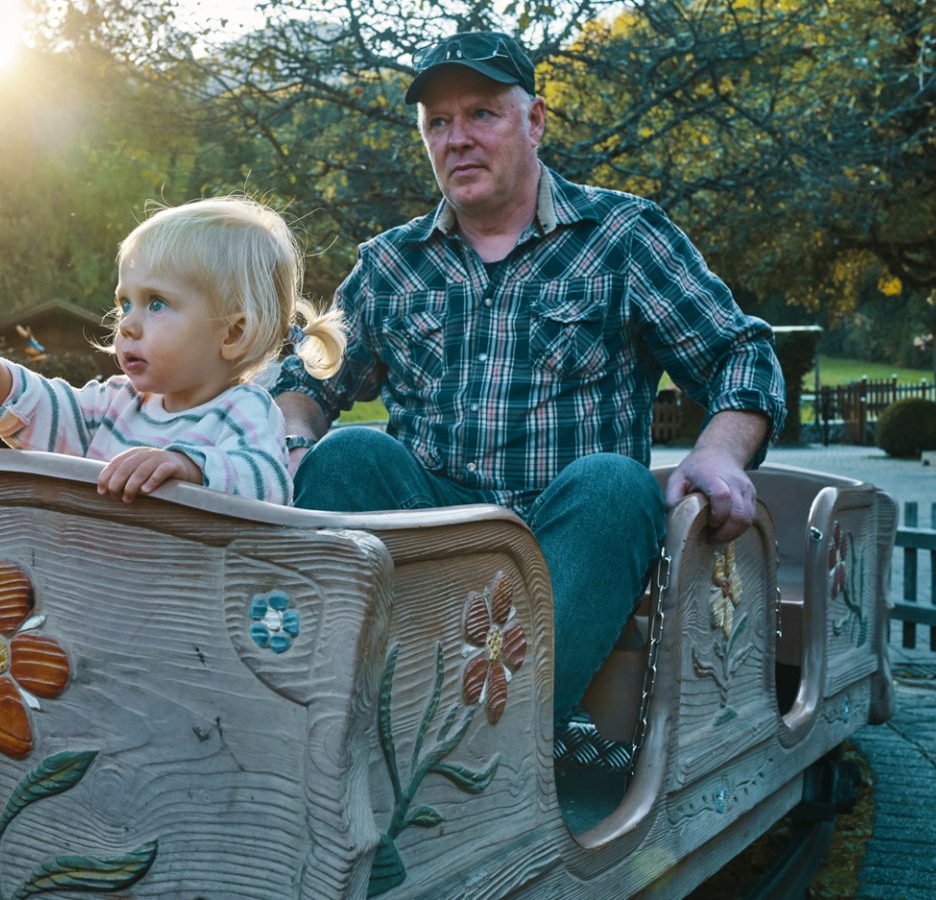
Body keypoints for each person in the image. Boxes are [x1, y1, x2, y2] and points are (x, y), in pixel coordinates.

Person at [273, 31, 785, 727]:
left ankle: (500, 751)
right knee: (347, 455)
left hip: (566, 541)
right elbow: (309, 377)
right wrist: (296, 433)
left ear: (535, 120)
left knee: (615, 484)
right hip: (425, 538)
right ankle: (331, 720)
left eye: (481, 113)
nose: (457, 139)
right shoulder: (391, 264)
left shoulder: (622, 236)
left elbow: (741, 354)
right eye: (438, 123)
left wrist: (719, 453)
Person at [0, 196, 345, 504]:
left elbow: (268, 483)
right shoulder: (115, 403)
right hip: (98, 594)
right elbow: (46, 412)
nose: (127, 323)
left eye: (156, 303)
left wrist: (190, 467)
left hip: (185, 605)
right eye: (124, 303)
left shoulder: (243, 412)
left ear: (232, 333)